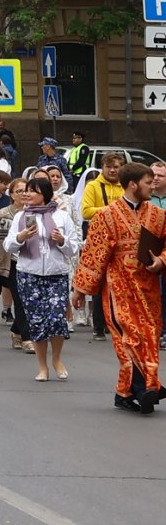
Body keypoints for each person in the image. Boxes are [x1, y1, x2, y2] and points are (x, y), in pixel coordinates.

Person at [71, 160, 166, 411]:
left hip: (149, 289)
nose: (153, 185)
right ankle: (143, 389)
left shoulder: (159, 215)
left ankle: (126, 393)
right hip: (119, 287)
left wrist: (161, 261)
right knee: (129, 337)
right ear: (133, 184)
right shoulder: (106, 215)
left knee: (148, 336)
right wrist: (81, 289)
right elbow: (94, 254)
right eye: (148, 182)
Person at [4, 174, 78, 382]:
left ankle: (57, 360)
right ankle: (42, 367)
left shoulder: (62, 217)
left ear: (44, 194)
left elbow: (73, 249)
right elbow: (8, 245)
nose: (27, 194)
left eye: (33, 191)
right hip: (29, 274)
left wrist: (62, 240)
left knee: (56, 319)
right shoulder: (21, 217)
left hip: (56, 275)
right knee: (36, 322)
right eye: (26, 190)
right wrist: (21, 237)